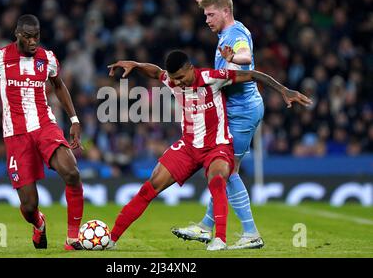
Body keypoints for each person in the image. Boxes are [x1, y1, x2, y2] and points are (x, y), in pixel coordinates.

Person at [106, 50, 311, 251]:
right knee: (149, 188)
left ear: (190, 69)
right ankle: (112, 239)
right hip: (188, 147)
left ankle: (220, 239)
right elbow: (155, 72)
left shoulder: (212, 77)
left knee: (218, 180)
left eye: (180, 77)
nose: (176, 83)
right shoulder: (172, 80)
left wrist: (283, 89)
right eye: (173, 78)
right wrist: (136, 64)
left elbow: (252, 74)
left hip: (217, 146)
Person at [0, 14, 85, 251]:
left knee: (71, 172)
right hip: (16, 134)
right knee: (29, 206)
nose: (33, 42)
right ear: (17, 34)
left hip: (45, 126)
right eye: (28, 37)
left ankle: (72, 239)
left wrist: (74, 119)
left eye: (36, 37)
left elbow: (59, 86)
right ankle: (39, 224)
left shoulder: (48, 58)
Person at [171, 0, 268, 249]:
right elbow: (229, 40)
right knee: (221, 169)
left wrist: (234, 59)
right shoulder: (228, 31)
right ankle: (205, 226)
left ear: (225, 12)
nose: (206, 20)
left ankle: (250, 233)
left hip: (242, 111)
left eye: (210, 15)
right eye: (205, 15)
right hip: (236, 110)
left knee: (227, 170)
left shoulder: (235, 37)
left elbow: (245, 57)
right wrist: (204, 2)